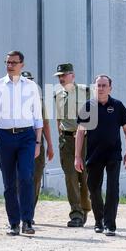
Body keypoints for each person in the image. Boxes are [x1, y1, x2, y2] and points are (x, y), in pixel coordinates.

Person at [0, 51, 43, 236]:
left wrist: (38, 142)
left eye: (14, 62)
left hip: (26, 137)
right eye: (8, 62)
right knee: (9, 183)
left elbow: (38, 117)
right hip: (5, 138)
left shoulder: (31, 86)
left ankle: (27, 221)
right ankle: (13, 223)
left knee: (26, 177)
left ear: (22, 65)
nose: (10, 65)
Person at [75, 75, 126, 236]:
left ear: (110, 88)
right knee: (93, 189)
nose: (100, 88)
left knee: (113, 189)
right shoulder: (88, 107)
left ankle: (110, 224)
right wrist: (77, 156)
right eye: (98, 85)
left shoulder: (117, 106)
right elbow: (80, 133)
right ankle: (98, 221)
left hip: (114, 154)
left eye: (104, 85)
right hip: (94, 154)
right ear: (95, 87)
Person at [54, 63, 92, 227]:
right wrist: (60, 137)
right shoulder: (57, 95)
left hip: (85, 139)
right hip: (67, 141)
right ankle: (75, 214)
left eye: (64, 75)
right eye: (59, 76)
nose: (61, 78)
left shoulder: (86, 91)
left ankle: (85, 208)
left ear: (73, 75)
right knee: (70, 177)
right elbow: (58, 119)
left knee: (84, 178)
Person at [21, 71, 54, 224]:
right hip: (20, 143)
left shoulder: (39, 101)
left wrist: (50, 145)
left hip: (37, 144)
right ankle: (20, 211)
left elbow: (45, 123)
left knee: (35, 178)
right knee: (19, 178)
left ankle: (29, 212)